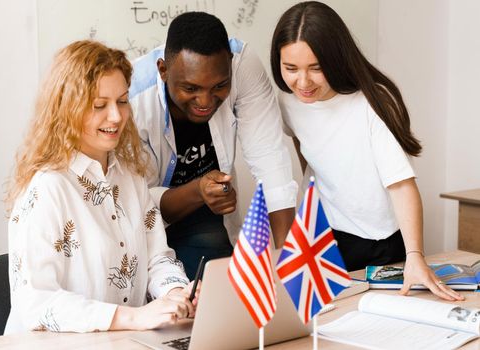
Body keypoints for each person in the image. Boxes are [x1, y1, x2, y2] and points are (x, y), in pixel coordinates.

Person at [270, 1, 463, 301]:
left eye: (316, 68)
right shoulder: (289, 101)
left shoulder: (372, 102)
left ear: (335, 60)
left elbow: (401, 185)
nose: (303, 82)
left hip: (380, 241)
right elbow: (303, 144)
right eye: (291, 68)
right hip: (325, 236)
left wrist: (415, 255)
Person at [4, 40, 197, 334]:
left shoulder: (131, 180)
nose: (116, 116)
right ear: (66, 109)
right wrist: (132, 317)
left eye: (122, 101)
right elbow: (36, 302)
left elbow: (157, 259)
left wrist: (176, 295)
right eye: (99, 105)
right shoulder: (47, 188)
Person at [130, 12, 297, 279]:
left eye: (220, 85)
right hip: (148, 223)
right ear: (163, 70)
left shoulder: (243, 64)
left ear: (230, 64)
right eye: (190, 88)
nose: (205, 100)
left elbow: (270, 162)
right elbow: (139, 201)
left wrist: (289, 263)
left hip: (208, 221)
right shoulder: (131, 98)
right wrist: (198, 189)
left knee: (219, 290)